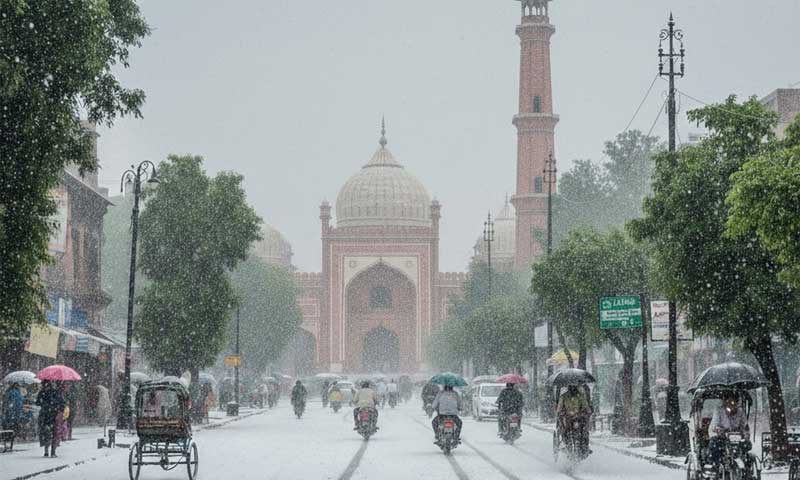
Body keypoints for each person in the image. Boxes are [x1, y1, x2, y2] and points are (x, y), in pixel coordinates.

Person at [709, 392, 750, 468]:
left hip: (735, 436)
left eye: (734, 402)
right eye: (729, 402)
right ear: (725, 402)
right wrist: (719, 430)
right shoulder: (719, 410)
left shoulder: (740, 411)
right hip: (720, 435)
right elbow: (714, 425)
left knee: (746, 445)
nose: (731, 405)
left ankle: (746, 466)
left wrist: (745, 433)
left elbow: (744, 425)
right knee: (715, 446)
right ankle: (717, 465)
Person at [557, 385, 591, 453]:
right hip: (567, 417)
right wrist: (562, 412)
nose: (573, 388)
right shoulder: (563, 396)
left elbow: (585, 406)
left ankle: (585, 445)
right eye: (571, 387)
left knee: (584, 430)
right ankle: (566, 443)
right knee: (565, 429)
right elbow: (559, 408)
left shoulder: (580, 396)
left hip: (578, 417)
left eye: (574, 386)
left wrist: (586, 411)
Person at [36, 380, 65, 457]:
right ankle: (53, 452)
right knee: (54, 433)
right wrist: (59, 411)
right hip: (54, 415)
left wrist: (44, 403)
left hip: (45, 416)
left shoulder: (42, 393)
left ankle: (46, 451)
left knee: (46, 433)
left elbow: (37, 403)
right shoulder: (56, 392)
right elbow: (62, 404)